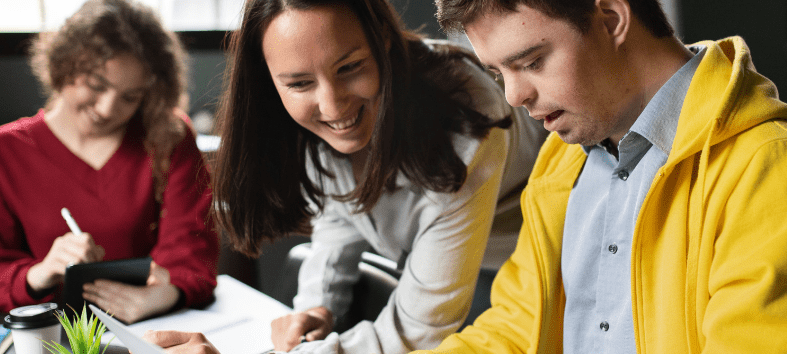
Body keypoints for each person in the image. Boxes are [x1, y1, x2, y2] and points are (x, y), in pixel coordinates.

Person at [411, 0, 787, 352]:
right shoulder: (563, 164)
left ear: (613, 19)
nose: (514, 96)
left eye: (532, 62)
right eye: (499, 72)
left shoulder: (771, 169)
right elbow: (514, 329)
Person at [146, 0, 544, 351]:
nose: (333, 106)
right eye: (300, 83)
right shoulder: (301, 124)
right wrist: (317, 307)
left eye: (350, 67)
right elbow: (340, 212)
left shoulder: (466, 113)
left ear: (382, 41)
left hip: (513, 269)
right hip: (431, 275)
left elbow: (420, 328)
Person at [0, 0, 218, 324]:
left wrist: (162, 294)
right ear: (64, 65)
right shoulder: (3, 151)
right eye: (96, 86)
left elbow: (193, 257)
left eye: (130, 97)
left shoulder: (170, 138)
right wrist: (40, 274)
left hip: (152, 328)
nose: (108, 109)